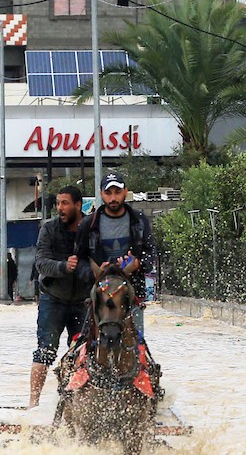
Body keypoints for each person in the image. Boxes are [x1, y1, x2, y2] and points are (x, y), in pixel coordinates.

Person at [29, 185, 92, 408]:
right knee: (45, 350)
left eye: (65, 203)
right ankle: (33, 403)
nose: (60, 208)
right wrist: (63, 266)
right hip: (52, 298)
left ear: (78, 205)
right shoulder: (49, 229)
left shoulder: (92, 228)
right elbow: (41, 262)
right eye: (58, 203)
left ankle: (78, 403)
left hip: (84, 301)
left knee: (84, 354)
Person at [75, 170, 154, 334]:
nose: (113, 198)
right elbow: (80, 260)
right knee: (89, 344)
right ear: (101, 194)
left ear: (125, 192)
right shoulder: (88, 225)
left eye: (117, 192)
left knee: (135, 345)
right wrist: (94, 272)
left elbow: (151, 252)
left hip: (132, 293)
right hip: (99, 294)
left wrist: (138, 264)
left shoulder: (139, 221)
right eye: (108, 193)